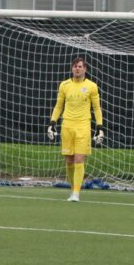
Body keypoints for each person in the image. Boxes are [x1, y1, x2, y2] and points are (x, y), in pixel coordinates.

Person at [47, 56, 104, 202]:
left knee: (79, 158)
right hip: (67, 125)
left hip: (83, 126)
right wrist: (52, 122)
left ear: (85, 69)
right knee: (69, 160)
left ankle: (76, 193)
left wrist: (100, 127)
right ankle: (73, 189)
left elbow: (96, 108)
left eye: (80, 66)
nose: (77, 69)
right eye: (75, 66)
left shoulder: (91, 86)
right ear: (72, 68)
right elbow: (59, 105)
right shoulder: (64, 85)